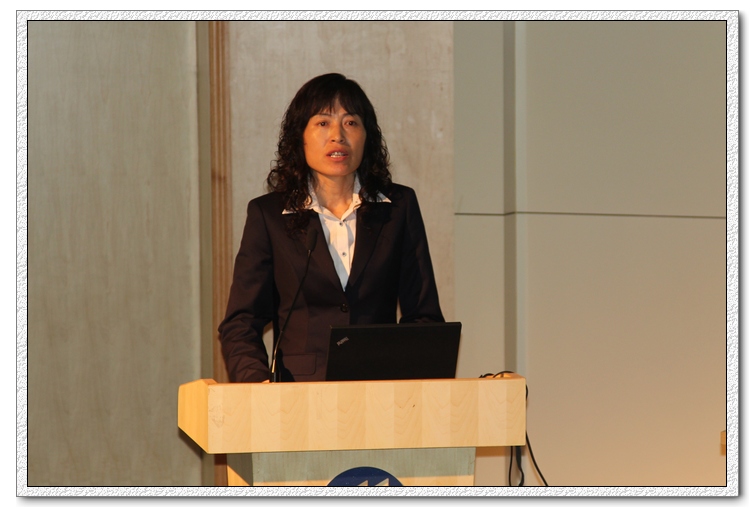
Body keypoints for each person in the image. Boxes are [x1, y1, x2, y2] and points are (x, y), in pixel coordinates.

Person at [218, 73, 444, 383]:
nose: (338, 135)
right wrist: (257, 387)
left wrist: (411, 387)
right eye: (323, 123)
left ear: (367, 136)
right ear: (300, 136)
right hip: (296, 396)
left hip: (381, 393)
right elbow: (241, 323)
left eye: (350, 122)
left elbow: (424, 316)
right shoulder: (269, 216)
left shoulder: (398, 208)